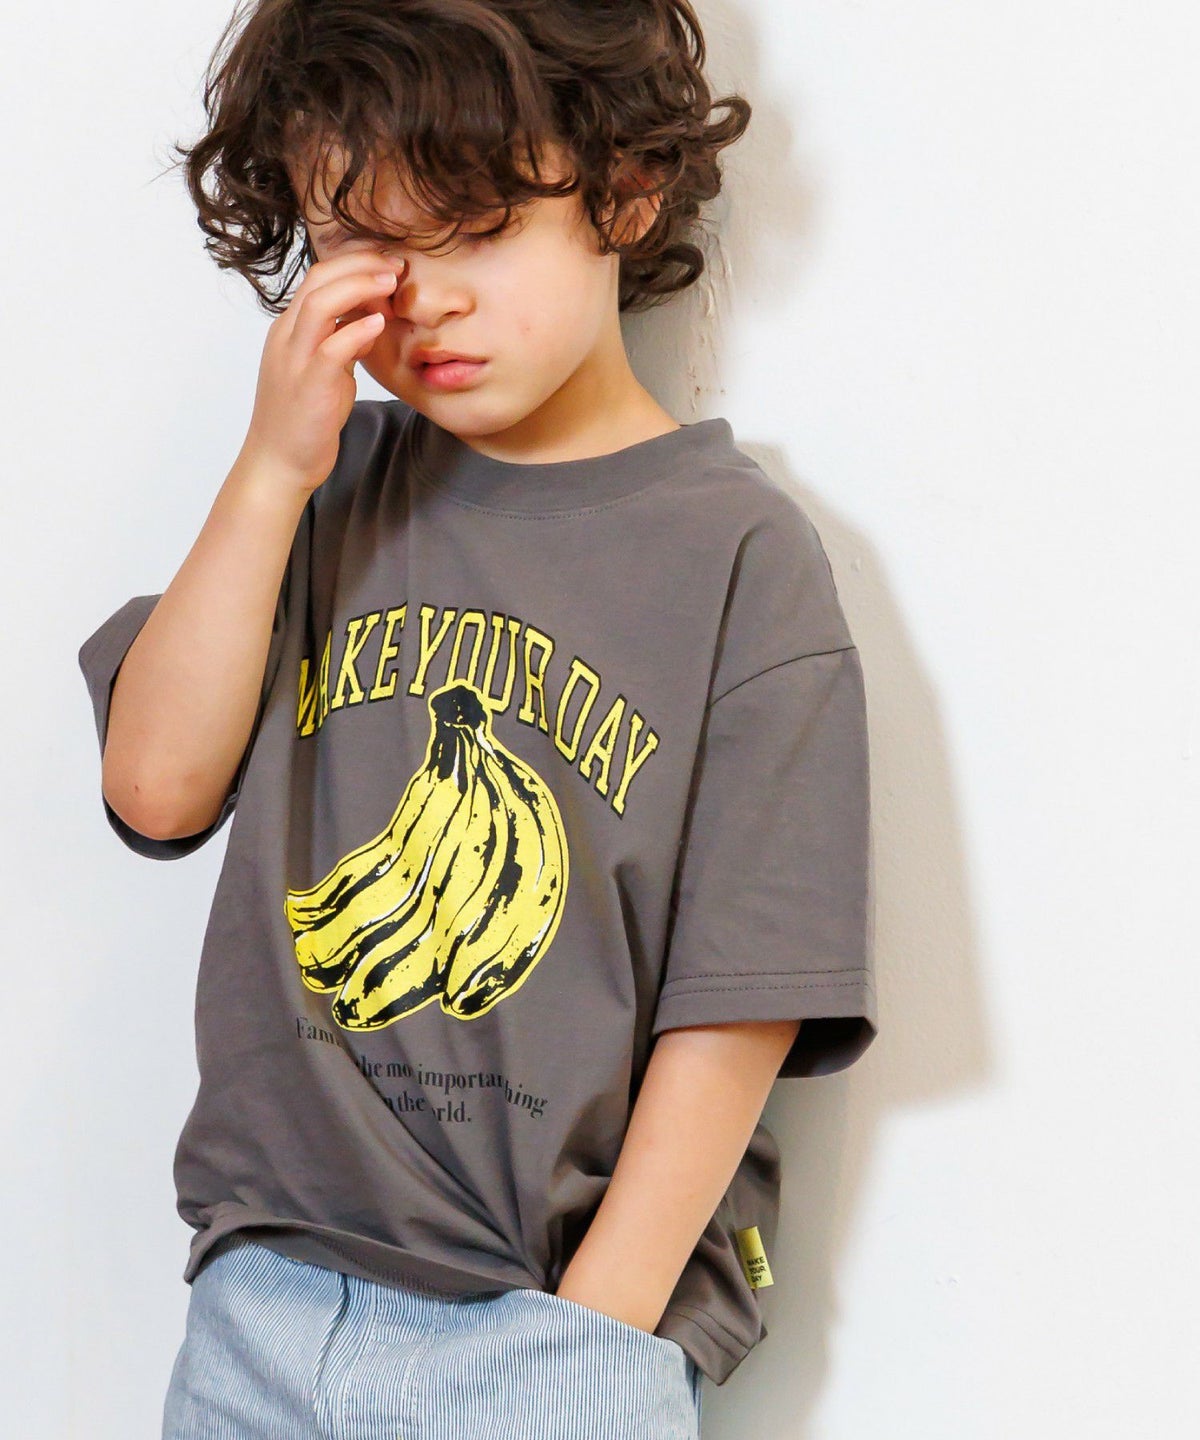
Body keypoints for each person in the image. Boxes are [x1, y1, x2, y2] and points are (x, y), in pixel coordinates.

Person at [77, 2, 878, 1436]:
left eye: (476, 228)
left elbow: (745, 992)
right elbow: (154, 788)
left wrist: (591, 1333)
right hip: (264, 1300)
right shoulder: (327, 493)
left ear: (626, 190)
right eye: (365, 243)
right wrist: (270, 469)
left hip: (550, 1325)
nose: (425, 300)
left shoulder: (738, 557)